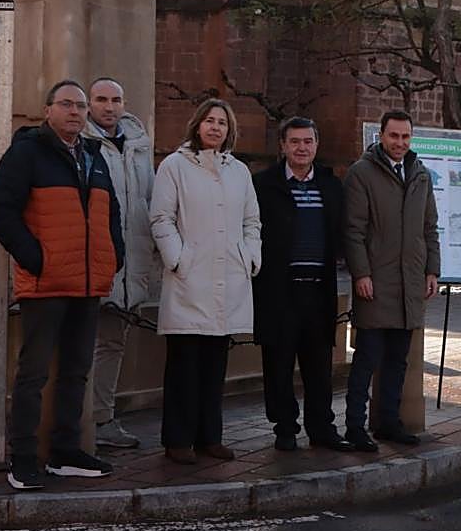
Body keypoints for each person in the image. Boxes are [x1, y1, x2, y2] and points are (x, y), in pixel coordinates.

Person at [0, 80, 123, 490]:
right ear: (48, 110)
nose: (75, 112)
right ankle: (23, 458)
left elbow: (111, 212)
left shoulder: (94, 155)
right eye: (66, 104)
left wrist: (113, 256)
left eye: (80, 106)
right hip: (46, 282)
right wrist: (36, 258)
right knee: (33, 374)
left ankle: (65, 452)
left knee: (76, 371)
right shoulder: (27, 152)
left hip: (87, 283)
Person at [150, 98, 261, 465]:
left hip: (228, 279)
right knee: (184, 365)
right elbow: (161, 218)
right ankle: (178, 439)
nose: (216, 127)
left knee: (215, 365)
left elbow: (251, 221)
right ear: (197, 125)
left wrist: (250, 255)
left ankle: (209, 436)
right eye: (210, 121)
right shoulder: (175, 166)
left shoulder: (239, 172)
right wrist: (178, 258)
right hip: (189, 279)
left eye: (222, 123)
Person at [252, 117, 355, 452]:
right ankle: (284, 427)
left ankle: (321, 427)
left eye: (308, 141)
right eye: (294, 141)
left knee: (319, 365)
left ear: (316, 145)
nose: (301, 148)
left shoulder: (330, 185)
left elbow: (342, 231)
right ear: (283, 145)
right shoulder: (263, 185)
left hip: (319, 289)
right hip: (279, 290)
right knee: (278, 364)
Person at [343, 110, 439, 450]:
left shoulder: (420, 174)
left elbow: (430, 228)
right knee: (367, 359)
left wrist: (432, 270)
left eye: (405, 136)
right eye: (394, 135)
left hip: (409, 283)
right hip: (376, 282)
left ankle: (389, 423)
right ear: (381, 136)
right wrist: (362, 273)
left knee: (398, 360)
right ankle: (354, 427)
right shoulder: (361, 173)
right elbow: (353, 231)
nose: (400, 142)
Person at [82, 76, 154, 450]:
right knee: (80, 346)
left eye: (115, 100)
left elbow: (147, 201)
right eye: (101, 99)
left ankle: (102, 418)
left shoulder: (139, 145)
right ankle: (76, 421)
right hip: (91, 263)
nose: (109, 107)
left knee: (112, 344)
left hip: (131, 265)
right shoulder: (80, 143)